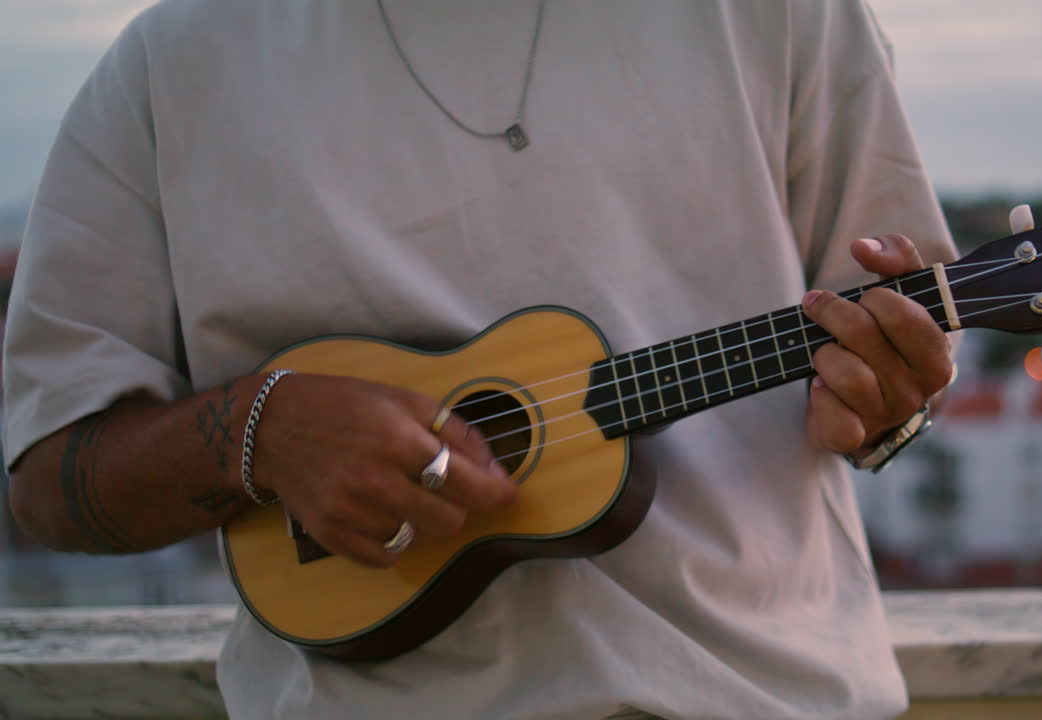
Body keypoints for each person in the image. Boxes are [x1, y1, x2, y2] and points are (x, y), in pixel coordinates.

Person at [4, 1, 960, 718]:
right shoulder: (173, 64)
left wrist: (890, 403)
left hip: (766, 697)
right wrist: (262, 430)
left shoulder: (783, 11)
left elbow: (891, 374)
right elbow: (50, 479)